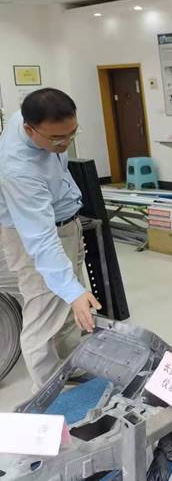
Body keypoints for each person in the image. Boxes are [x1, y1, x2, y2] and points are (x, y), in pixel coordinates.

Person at [0, 89, 102, 389]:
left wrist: (73, 292)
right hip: (33, 235)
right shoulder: (18, 170)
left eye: (72, 133)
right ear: (29, 129)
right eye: (57, 139)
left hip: (65, 221)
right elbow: (41, 240)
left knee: (68, 305)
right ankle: (47, 392)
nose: (65, 143)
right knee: (44, 312)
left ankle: (72, 364)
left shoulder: (34, 117)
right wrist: (72, 290)